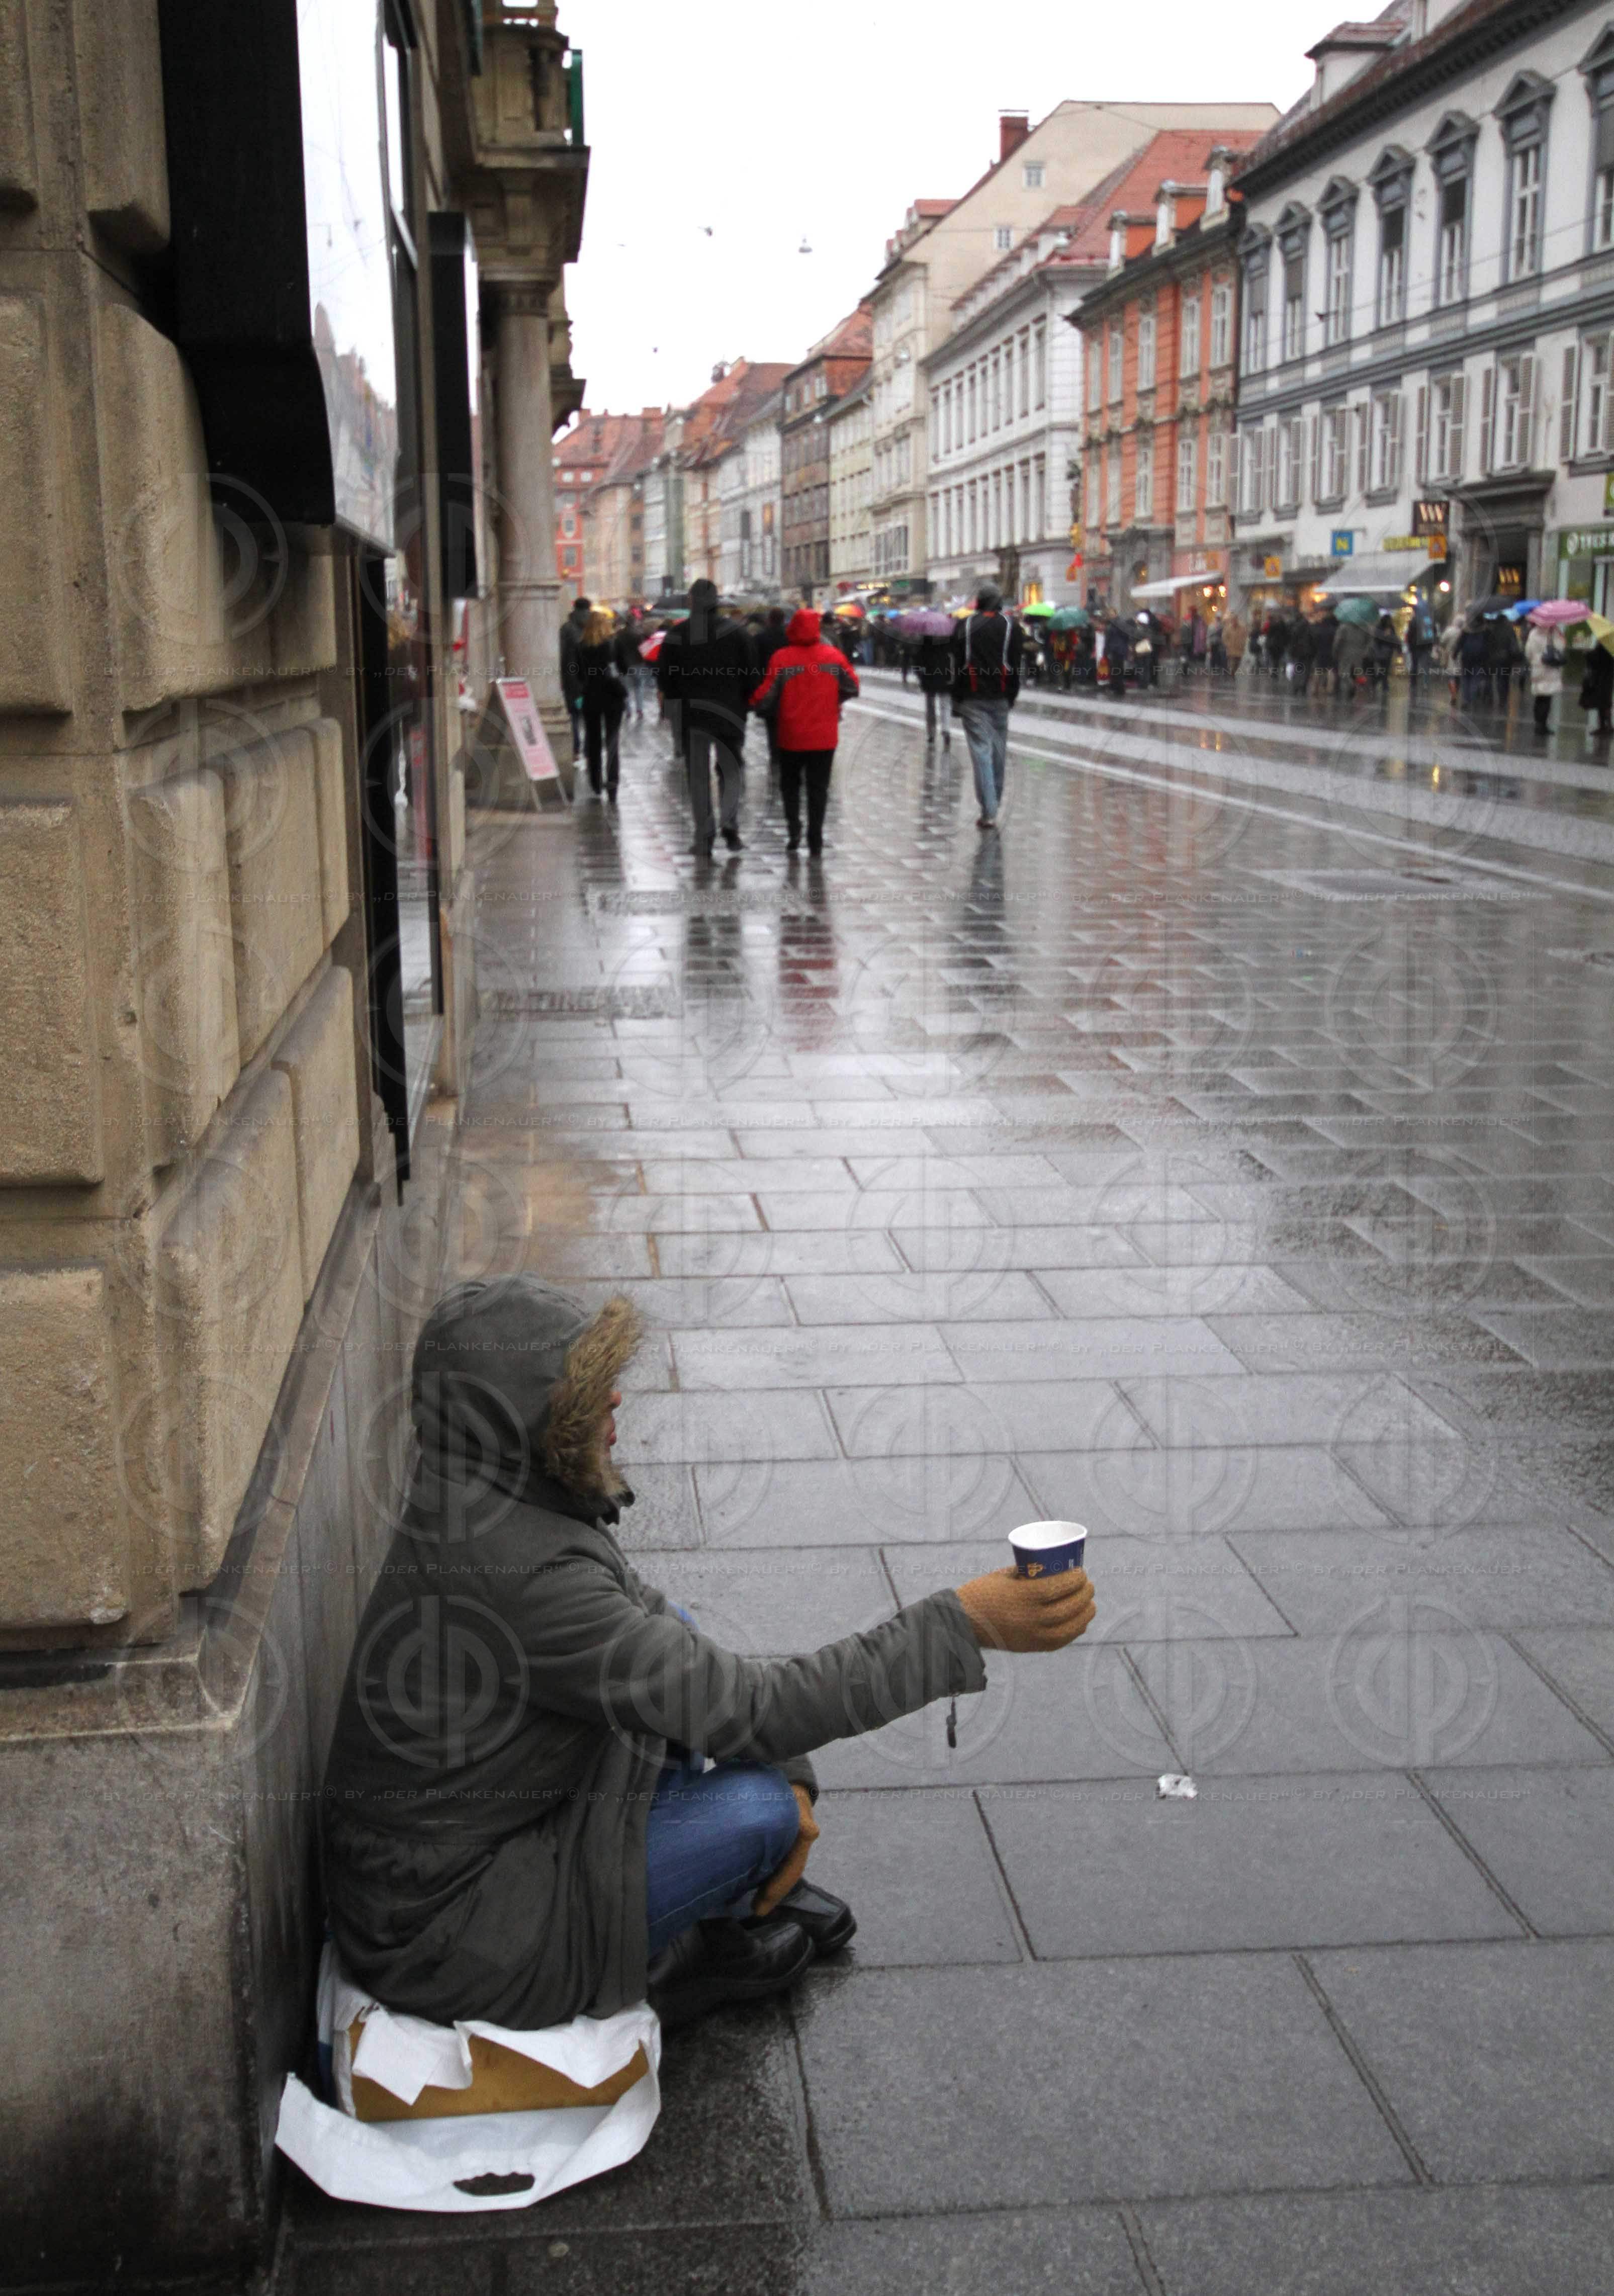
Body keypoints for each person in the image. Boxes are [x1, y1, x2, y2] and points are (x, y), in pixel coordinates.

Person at [321, 1278, 1099, 2037]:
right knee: (752, 1814)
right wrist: (962, 1627)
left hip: (480, 1841)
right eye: (587, 1388)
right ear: (523, 1420)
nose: (617, 1401)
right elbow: (753, 1707)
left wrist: (790, 1764)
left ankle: (718, 1895)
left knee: (690, 1655)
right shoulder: (522, 1573)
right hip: (447, 1935)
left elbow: (677, 1640)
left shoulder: (491, 1491)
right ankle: (672, 1961)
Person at [657, 578, 756, 855]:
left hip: (693, 716)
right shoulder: (737, 634)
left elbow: (665, 678)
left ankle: (704, 834)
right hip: (730, 715)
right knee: (730, 773)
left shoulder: (677, 635)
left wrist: (676, 706)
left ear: (691, 602)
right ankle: (731, 827)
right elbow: (752, 675)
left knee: (698, 776)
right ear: (717, 602)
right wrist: (742, 703)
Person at [750, 605, 858, 853]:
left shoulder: (782, 658)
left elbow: (767, 695)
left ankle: (794, 830)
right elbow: (852, 686)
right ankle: (816, 838)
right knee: (818, 788)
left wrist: (753, 702)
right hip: (825, 736)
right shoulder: (833, 657)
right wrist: (835, 699)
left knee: (790, 787)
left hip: (791, 735)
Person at [951, 583, 1024, 828]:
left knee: (981, 752)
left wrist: (956, 698)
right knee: (998, 751)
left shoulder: (966, 626)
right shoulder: (1011, 627)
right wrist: (1012, 695)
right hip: (1001, 697)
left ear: (980, 602)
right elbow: (1015, 664)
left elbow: (958, 664)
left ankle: (989, 810)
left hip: (973, 697)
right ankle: (996, 802)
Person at [576, 607, 629, 802]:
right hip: (613, 697)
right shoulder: (614, 644)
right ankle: (613, 783)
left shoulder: (581, 646)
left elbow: (579, 674)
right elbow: (625, 668)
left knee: (593, 740)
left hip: (591, 698)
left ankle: (596, 782)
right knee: (613, 741)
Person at [559, 596, 591, 760]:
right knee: (584, 717)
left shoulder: (566, 628)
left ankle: (578, 747)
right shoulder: (589, 629)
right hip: (585, 681)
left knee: (575, 716)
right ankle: (583, 747)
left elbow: (563, 657)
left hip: (573, 680)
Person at [1525, 617, 1564, 734]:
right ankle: (1543, 726)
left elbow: (1528, 652)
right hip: (1549, 669)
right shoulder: (1553, 633)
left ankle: (1538, 724)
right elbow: (1560, 647)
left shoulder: (1533, 633)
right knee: (1547, 699)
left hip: (1537, 668)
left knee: (1539, 697)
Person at [915, 628, 953, 746]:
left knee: (930, 706)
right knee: (945, 705)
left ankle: (931, 733)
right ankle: (946, 730)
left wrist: (920, 675)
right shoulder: (949, 638)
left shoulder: (926, 639)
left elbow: (919, 659)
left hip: (929, 677)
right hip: (945, 676)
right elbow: (954, 656)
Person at [1580, 633, 1613, 747]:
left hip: (1601, 681)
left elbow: (1596, 661)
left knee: (1602, 704)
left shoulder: (1604, 648)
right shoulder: (1610, 647)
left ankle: (1604, 727)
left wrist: (1587, 653)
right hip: (1607, 680)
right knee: (1605, 703)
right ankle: (1607, 726)